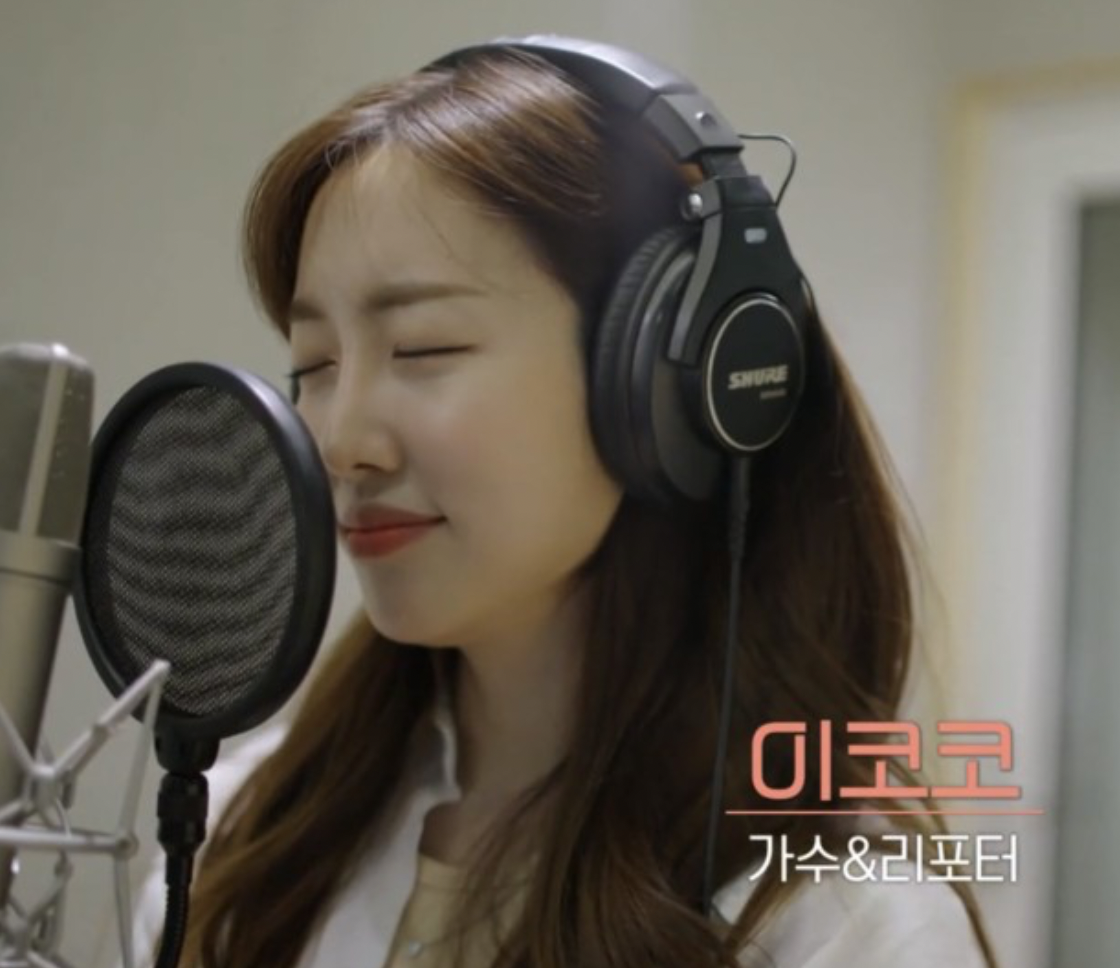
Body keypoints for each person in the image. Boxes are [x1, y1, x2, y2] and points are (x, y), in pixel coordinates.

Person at [121, 34, 999, 968]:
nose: (338, 443)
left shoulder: (842, 926)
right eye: (314, 366)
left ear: (663, 380)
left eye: (423, 349)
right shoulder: (243, 833)